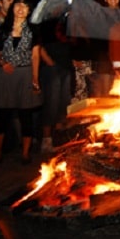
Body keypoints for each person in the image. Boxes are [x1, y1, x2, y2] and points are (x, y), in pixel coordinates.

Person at [0, 0, 42, 164]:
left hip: (25, 73)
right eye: (18, 5)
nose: (21, 9)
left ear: (29, 11)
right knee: (2, 116)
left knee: (25, 115)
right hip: (6, 75)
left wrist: (35, 79)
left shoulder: (33, 30)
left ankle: (25, 153)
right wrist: (2, 62)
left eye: (25, 6)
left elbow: (35, 56)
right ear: (13, 8)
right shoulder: (2, 28)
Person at [38, 17, 74, 153]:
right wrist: (48, 61)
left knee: (63, 102)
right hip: (51, 67)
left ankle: (58, 138)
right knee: (51, 103)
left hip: (66, 65)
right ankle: (46, 140)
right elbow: (37, 42)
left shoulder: (67, 20)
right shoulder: (46, 18)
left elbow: (72, 41)